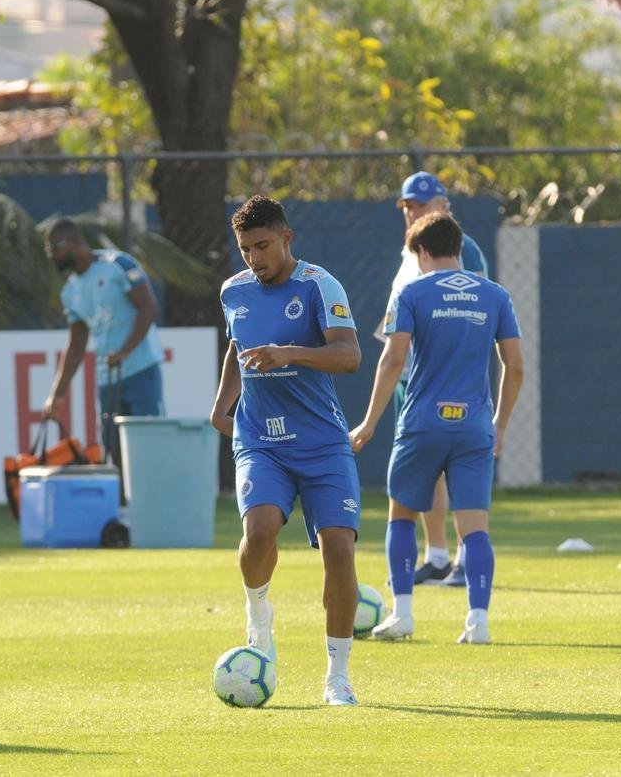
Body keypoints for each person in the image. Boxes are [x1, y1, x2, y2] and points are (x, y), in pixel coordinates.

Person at [210, 195, 364, 706]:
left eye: (263, 246)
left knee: (339, 551)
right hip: (260, 441)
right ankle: (258, 615)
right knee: (259, 533)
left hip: (322, 442)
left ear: (287, 238)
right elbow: (238, 347)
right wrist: (222, 404)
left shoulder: (321, 285)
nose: (255, 258)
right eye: (246, 249)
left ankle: (337, 676)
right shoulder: (233, 291)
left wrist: (290, 353)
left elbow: (349, 355)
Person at [351, 211, 523, 644]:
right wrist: (499, 424)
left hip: (422, 422)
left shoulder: (411, 292)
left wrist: (370, 421)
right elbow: (515, 367)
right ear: (459, 248)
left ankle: (404, 614)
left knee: (402, 516)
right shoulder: (496, 295)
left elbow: (393, 360)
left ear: (422, 252)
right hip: (474, 426)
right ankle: (478, 622)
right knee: (475, 527)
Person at [381, 170, 491, 588]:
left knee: (457, 466)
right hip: (412, 375)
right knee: (422, 470)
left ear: (444, 206)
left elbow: (476, 313)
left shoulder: (464, 250)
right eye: (409, 205)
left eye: (423, 204)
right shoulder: (412, 252)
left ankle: (465, 557)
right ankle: (438, 554)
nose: (414, 211)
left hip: (450, 380)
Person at [42, 218, 164, 467]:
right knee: (113, 452)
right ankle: (120, 507)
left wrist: (124, 352)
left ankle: (152, 504)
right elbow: (76, 345)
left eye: (55, 247)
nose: (51, 255)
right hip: (107, 380)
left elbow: (149, 309)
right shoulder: (70, 291)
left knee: (150, 446)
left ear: (76, 242)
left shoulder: (117, 265)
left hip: (141, 370)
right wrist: (56, 395)